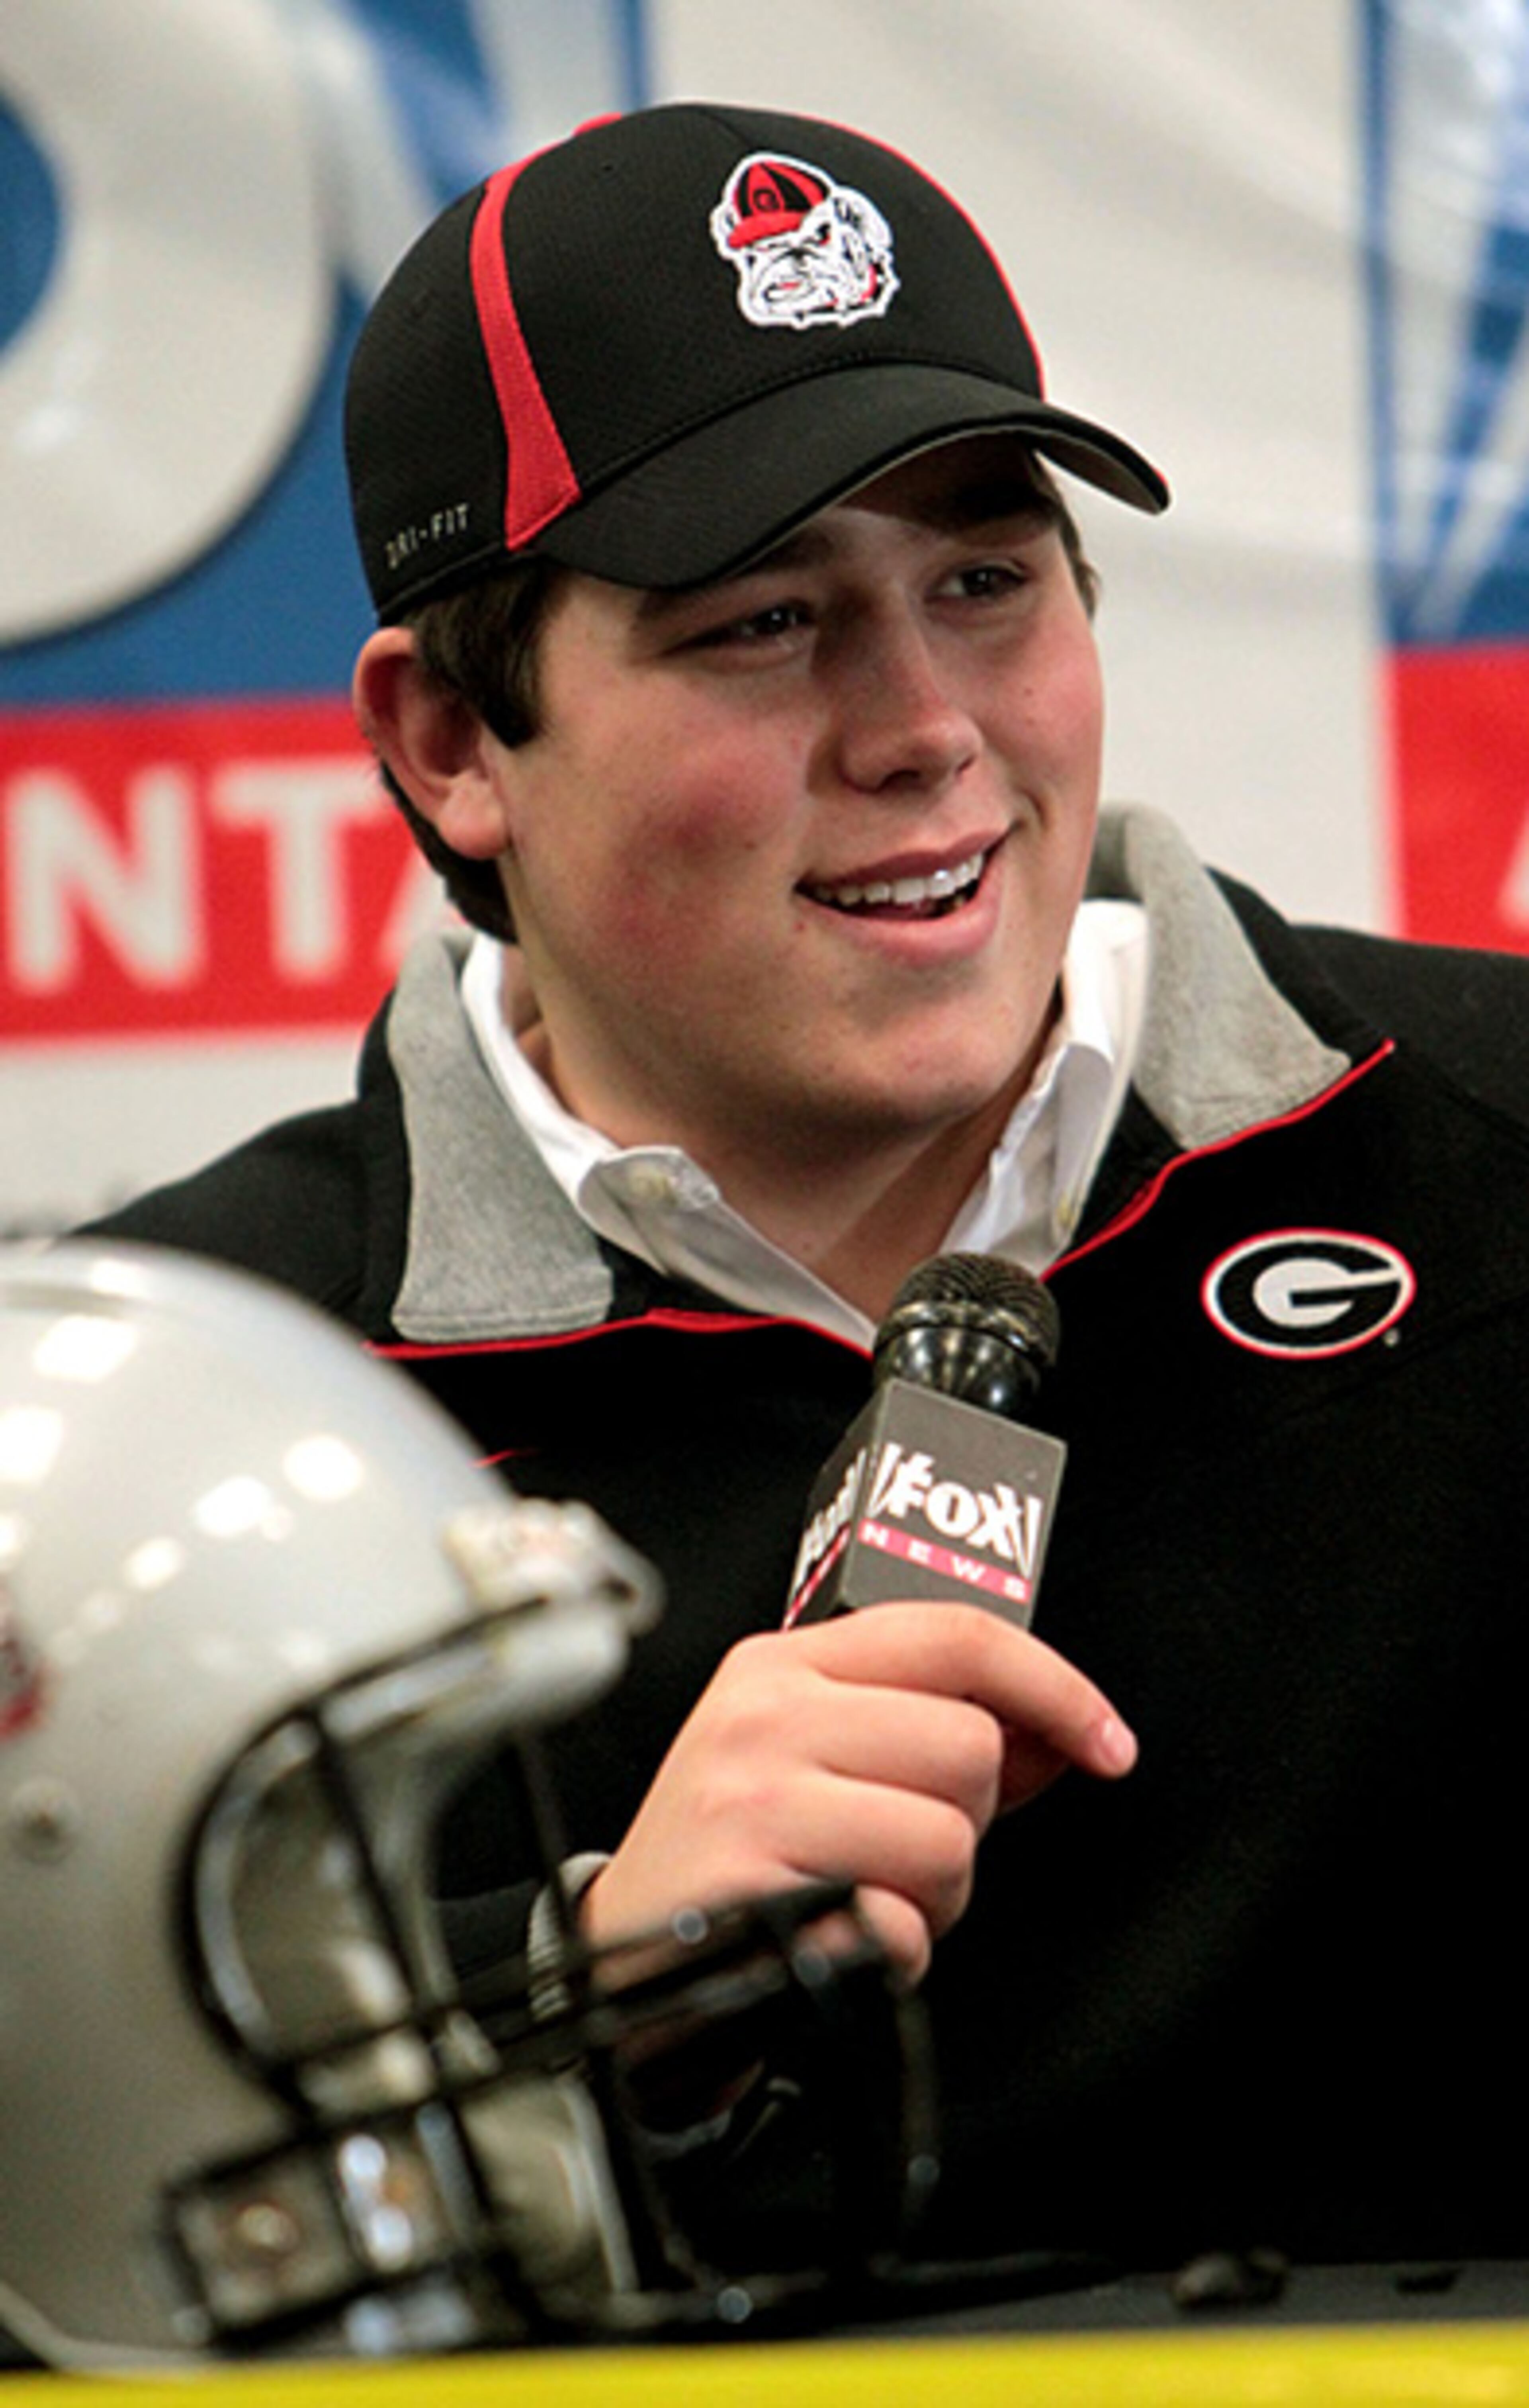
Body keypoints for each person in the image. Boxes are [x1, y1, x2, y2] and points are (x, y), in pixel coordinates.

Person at [88, 102, 1529, 2279]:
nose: (929, 726)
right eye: (762, 622)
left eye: (985, 577)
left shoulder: (1502, 1153)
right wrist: (575, 1990)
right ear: (449, 746)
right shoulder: (162, 1421)